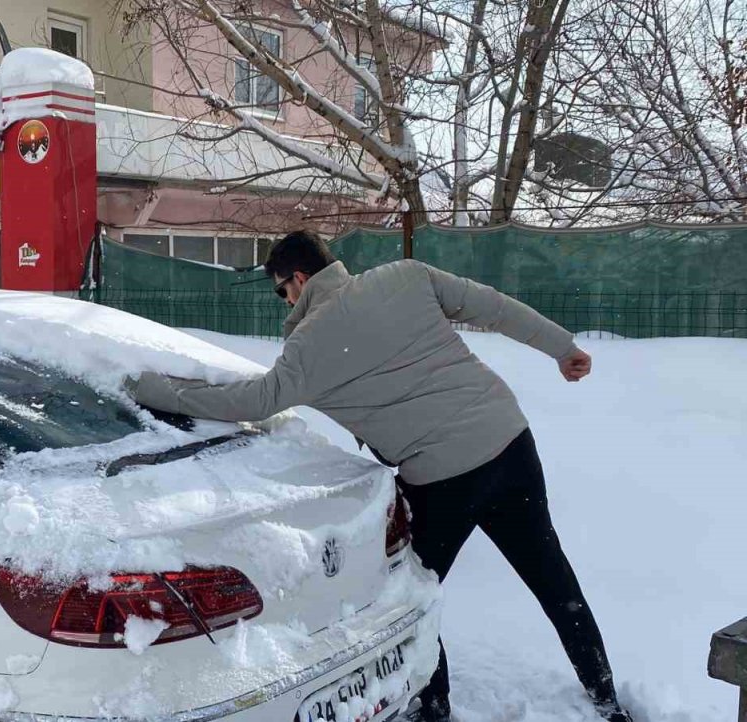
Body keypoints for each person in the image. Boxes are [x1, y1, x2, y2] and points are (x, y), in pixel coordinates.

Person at [126, 230, 631, 722]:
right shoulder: (406, 276)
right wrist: (562, 346)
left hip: (442, 478)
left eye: (282, 291)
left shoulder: (307, 347)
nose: (284, 303)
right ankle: (607, 701)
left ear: (298, 279)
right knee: (552, 576)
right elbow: (493, 307)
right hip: (509, 442)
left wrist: (152, 389)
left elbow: (252, 401)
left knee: (411, 598)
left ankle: (434, 709)